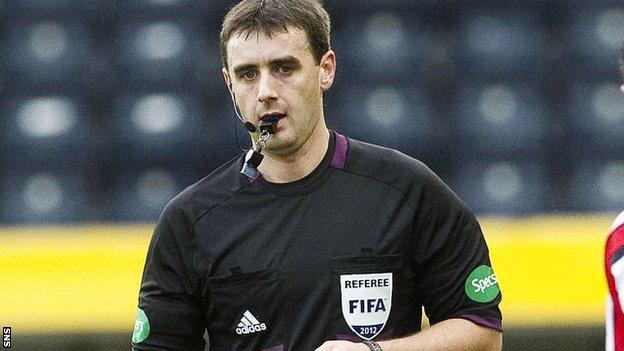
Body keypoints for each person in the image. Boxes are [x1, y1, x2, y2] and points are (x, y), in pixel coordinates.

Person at [131, 0, 503, 350]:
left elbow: (483, 331)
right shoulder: (190, 221)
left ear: (325, 69)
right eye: (247, 74)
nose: (265, 92)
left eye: (284, 68)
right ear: (229, 84)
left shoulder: (407, 190)